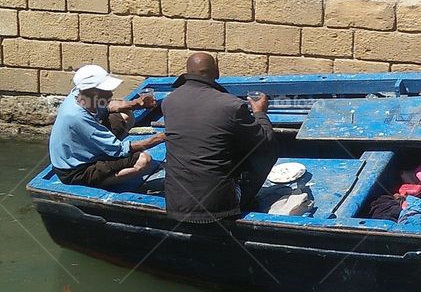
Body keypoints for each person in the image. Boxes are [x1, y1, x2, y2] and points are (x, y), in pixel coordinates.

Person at [161, 53, 277, 223]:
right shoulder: (231, 105)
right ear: (217, 72)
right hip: (218, 208)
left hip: (176, 204)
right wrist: (260, 113)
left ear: (187, 72)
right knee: (266, 151)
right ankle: (242, 200)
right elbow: (265, 141)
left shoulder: (169, 101)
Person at [49, 64, 164, 189]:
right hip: (76, 169)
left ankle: (106, 156)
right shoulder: (77, 117)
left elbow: (109, 106)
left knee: (126, 115)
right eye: (106, 89)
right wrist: (161, 137)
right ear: (93, 91)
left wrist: (136, 104)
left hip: (85, 147)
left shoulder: (79, 94)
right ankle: (99, 181)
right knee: (144, 161)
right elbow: (120, 149)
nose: (111, 93)